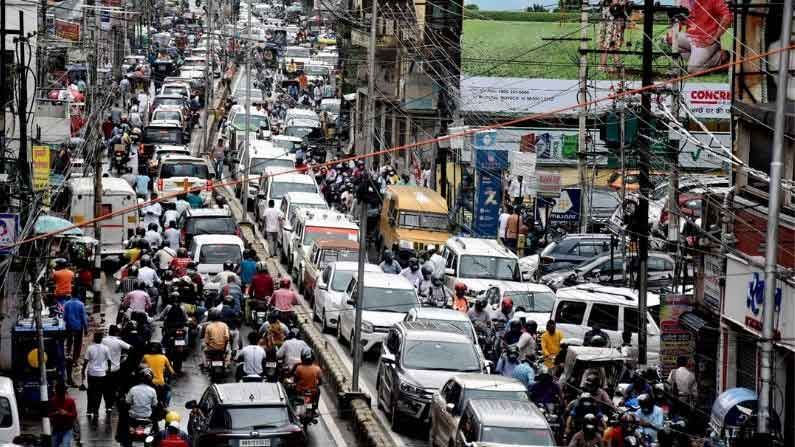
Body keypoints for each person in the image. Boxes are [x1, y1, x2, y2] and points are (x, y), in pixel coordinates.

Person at [670, 0, 731, 73]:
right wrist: (672, 32)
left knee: (693, 69)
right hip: (690, 37)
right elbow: (678, 20)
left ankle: (720, 57)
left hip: (705, 40)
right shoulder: (683, 1)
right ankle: (697, 60)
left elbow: (727, 16)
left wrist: (714, 37)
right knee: (665, 40)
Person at [82, 332, 112, 420]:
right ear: (101, 339)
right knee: (99, 393)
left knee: (91, 392)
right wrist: (108, 370)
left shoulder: (90, 348)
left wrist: (83, 371)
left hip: (91, 373)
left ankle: (89, 410)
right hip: (102, 374)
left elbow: (86, 361)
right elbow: (109, 361)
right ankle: (96, 411)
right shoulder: (106, 348)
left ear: (94, 339)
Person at [102, 325, 131, 411]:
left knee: (105, 388)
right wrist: (125, 357)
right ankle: (110, 405)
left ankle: (107, 404)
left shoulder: (103, 340)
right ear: (116, 332)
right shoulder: (119, 342)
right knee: (113, 387)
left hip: (104, 369)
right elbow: (131, 347)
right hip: (115, 369)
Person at [63, 296, 88, 384]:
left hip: (69, 327)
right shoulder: (81, 304)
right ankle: (75, 360)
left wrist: (67, 324)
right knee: (78, 344)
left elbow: (64, 317)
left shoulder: (66, 304)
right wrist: (85, 328)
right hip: (78, 327)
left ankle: (68, 357)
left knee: (69, 343)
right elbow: (83, 317)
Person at [142, 342, 175, 406]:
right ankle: (165, 404)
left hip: (149, 382)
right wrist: (173, 373)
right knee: (169, 389)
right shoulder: (164, 357)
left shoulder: (145, 356)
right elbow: (171, 371)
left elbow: (139, 365)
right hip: (160, 382)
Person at [49, 381, 78, 447]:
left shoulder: (70, 401)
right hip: (56, 429)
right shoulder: (53, 401)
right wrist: (56, 413)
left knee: (65, 444)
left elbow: (74, 415)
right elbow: (49, 414)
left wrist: (66, 413)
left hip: (67, 429)